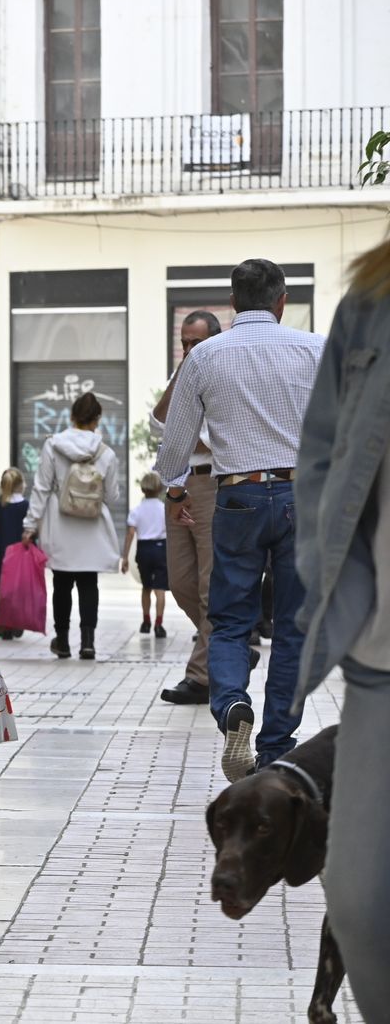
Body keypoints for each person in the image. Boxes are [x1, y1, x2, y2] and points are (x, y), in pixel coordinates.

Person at [155, 258, 323, 782]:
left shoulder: (205, 356)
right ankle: (276, 747)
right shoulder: (316, 350)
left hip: (237, 497)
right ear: (282, 301)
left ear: (233, 302)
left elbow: (174, 442)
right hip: (302, 494)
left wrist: (176, 487)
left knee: (229, 619)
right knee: (295, 629)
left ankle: (231, 706)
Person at [294, 233, 390, 1022]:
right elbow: (321, 457)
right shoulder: (372, 298)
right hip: (381, 656)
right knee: (357, 900)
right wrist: (337, 591)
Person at [151, 310, 222, 704]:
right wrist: (183, 371)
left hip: (211, 482)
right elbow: (158, 424)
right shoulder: (180, 379)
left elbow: (207, 439)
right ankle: (227, 646)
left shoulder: (223, 376)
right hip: (177, 484)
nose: (189, 349)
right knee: (180, 582)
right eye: (184, 343)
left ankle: (200, 676)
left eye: (196, 342)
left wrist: (182, 433)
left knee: (211, 584)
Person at [22, 391, 121, 661]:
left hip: (60, 524)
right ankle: (88, 642)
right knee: (89, 584)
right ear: (97, 419)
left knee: (62, 584)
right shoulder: (106, 453)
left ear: (72, 416)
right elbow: (112, 497)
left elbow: (41, 489)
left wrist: (30, 525)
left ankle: (63, 641)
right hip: (92, 527)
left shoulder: (53, 445)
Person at [122, 472, 169, 638]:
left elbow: (130, 534)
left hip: (144, 549)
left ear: (143, 489)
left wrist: (125, 557)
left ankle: (146, 621)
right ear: (159, 488)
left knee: (146, 587)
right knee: (160, 589)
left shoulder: (136, 510)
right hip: (161, 548)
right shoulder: (164, 509)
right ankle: (159, 624)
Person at [0, 468, 28, 640]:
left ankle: (3, 623)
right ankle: (17, 622)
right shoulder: (27, 505)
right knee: (19, 590)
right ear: (21, 485)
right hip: (21, 554)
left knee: (2, 591)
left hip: (2, 553)